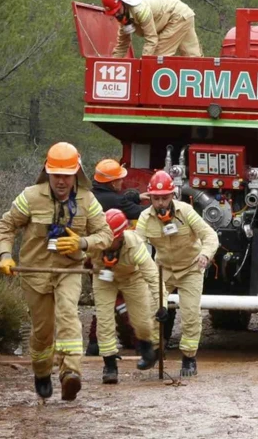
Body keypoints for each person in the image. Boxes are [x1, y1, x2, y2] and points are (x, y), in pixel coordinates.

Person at [0, 142, 113, 401]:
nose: (61, 181)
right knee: (42, 331)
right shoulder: (30, 197)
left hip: (69, 269)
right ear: (47, 173)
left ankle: (71, 373)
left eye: (66, 175)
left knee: (69, 314)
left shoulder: (87, 200)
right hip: (34, 273)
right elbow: (6, 226)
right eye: (56, 175)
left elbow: (106, 234)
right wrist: (6, 255)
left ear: (76, 174)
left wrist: (82, 243)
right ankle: (41, 372)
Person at [135, 170, 219, 376]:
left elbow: (210, 235)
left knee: (190, 314)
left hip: (191, 268)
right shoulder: (145, 218)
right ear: (150, 198)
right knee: (152, 310)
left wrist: (206, 255)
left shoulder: (186, 211)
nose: (161, 203)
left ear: (173, 195)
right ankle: (154, 351)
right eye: (156, 198)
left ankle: (189, 358)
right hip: (162, 269)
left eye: (165, 198)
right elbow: (137, 246)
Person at [89, 209, 165, 384]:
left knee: (142, 320)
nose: (106, 242)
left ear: (121, 236)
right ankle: (109, 365)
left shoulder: (135, 245)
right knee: (104, 320)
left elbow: (153, 276)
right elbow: (75, 255)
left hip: (133, 278)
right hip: (103, 277)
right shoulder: (94, 242)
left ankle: (148, 349)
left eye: (111, 238)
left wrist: (163, 304)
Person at [85, 158, 150, 356]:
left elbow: (124, 201)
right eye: (120, 180)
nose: (122, 182)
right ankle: (139, 342)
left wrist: (137, 196)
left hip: (91, 257)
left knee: (104, 299)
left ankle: (94, 344)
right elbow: (139, 213)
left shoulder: (89, 197)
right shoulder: (115, 201)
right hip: (112, 258)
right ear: (113, 183)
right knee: (122, 299)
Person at [101, 0, 203, 58]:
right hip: (184, 14)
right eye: (113, 14)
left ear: (123, 3)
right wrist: (112, 65)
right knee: (193, 58)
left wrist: (143, 64)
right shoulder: (124, 18)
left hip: (178, 16)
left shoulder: (140, 10)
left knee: (157, 58)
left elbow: (151, 40)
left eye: (117, 10)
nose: (116, 15)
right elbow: (122, 45)